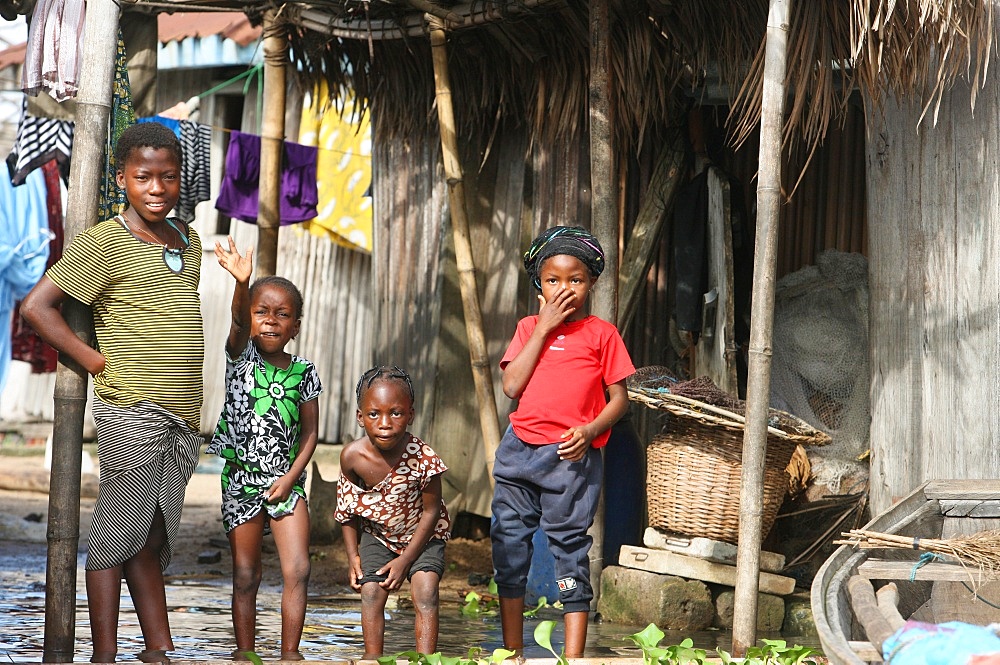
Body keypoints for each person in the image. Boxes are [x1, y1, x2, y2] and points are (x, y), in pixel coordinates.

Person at [20, 122, 204, 664]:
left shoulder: (185, 240)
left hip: (182, 417)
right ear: (122, 179)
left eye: (168, 177)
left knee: (147, 537)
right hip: (131, 407)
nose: (156, 188)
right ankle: (104, 654)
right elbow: (37, 307)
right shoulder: (106, 240)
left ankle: (158, 648)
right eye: (143, 177)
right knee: (116, 536)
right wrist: (96, 361)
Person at [492, 225, 636, 659]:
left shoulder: (602, 335)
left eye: (575, 279)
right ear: (540, 284)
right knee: (509, 548)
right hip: (518, 454)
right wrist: (543, 329)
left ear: (591, 283)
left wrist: (590, 431)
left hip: (570, 459)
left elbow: (620, 401)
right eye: (553, 280)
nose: (564, 289)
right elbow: (511, 386)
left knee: (570, 552)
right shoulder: (527, 328)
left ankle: (573, 656)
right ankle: (513, 651)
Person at [208, 242, 322, 662]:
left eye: (283, 314)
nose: (271, 321)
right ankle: (244, 653)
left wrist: (290, 478)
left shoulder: (303, 372)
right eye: (262, 312)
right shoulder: (241, 357)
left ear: (295, 326)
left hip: (285, 482)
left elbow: (310, 434)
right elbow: (238, 322)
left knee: (298, 570)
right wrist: (242, 283)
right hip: (240, 480)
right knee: (245, 573)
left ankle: (290, 653)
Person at [335, 366, 451, 658]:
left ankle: (426, 660)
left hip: (422, 536)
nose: (385, 423)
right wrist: (353, 558)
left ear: (410, 415)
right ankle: (372, 659)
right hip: (379, 536)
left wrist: (405, 560)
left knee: (425, 590)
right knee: (371, 592)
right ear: (361, 417)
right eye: (374, 414)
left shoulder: (424, 459)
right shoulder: (352, 457)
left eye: (396, 413)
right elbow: (347, 509)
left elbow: (432, 511)